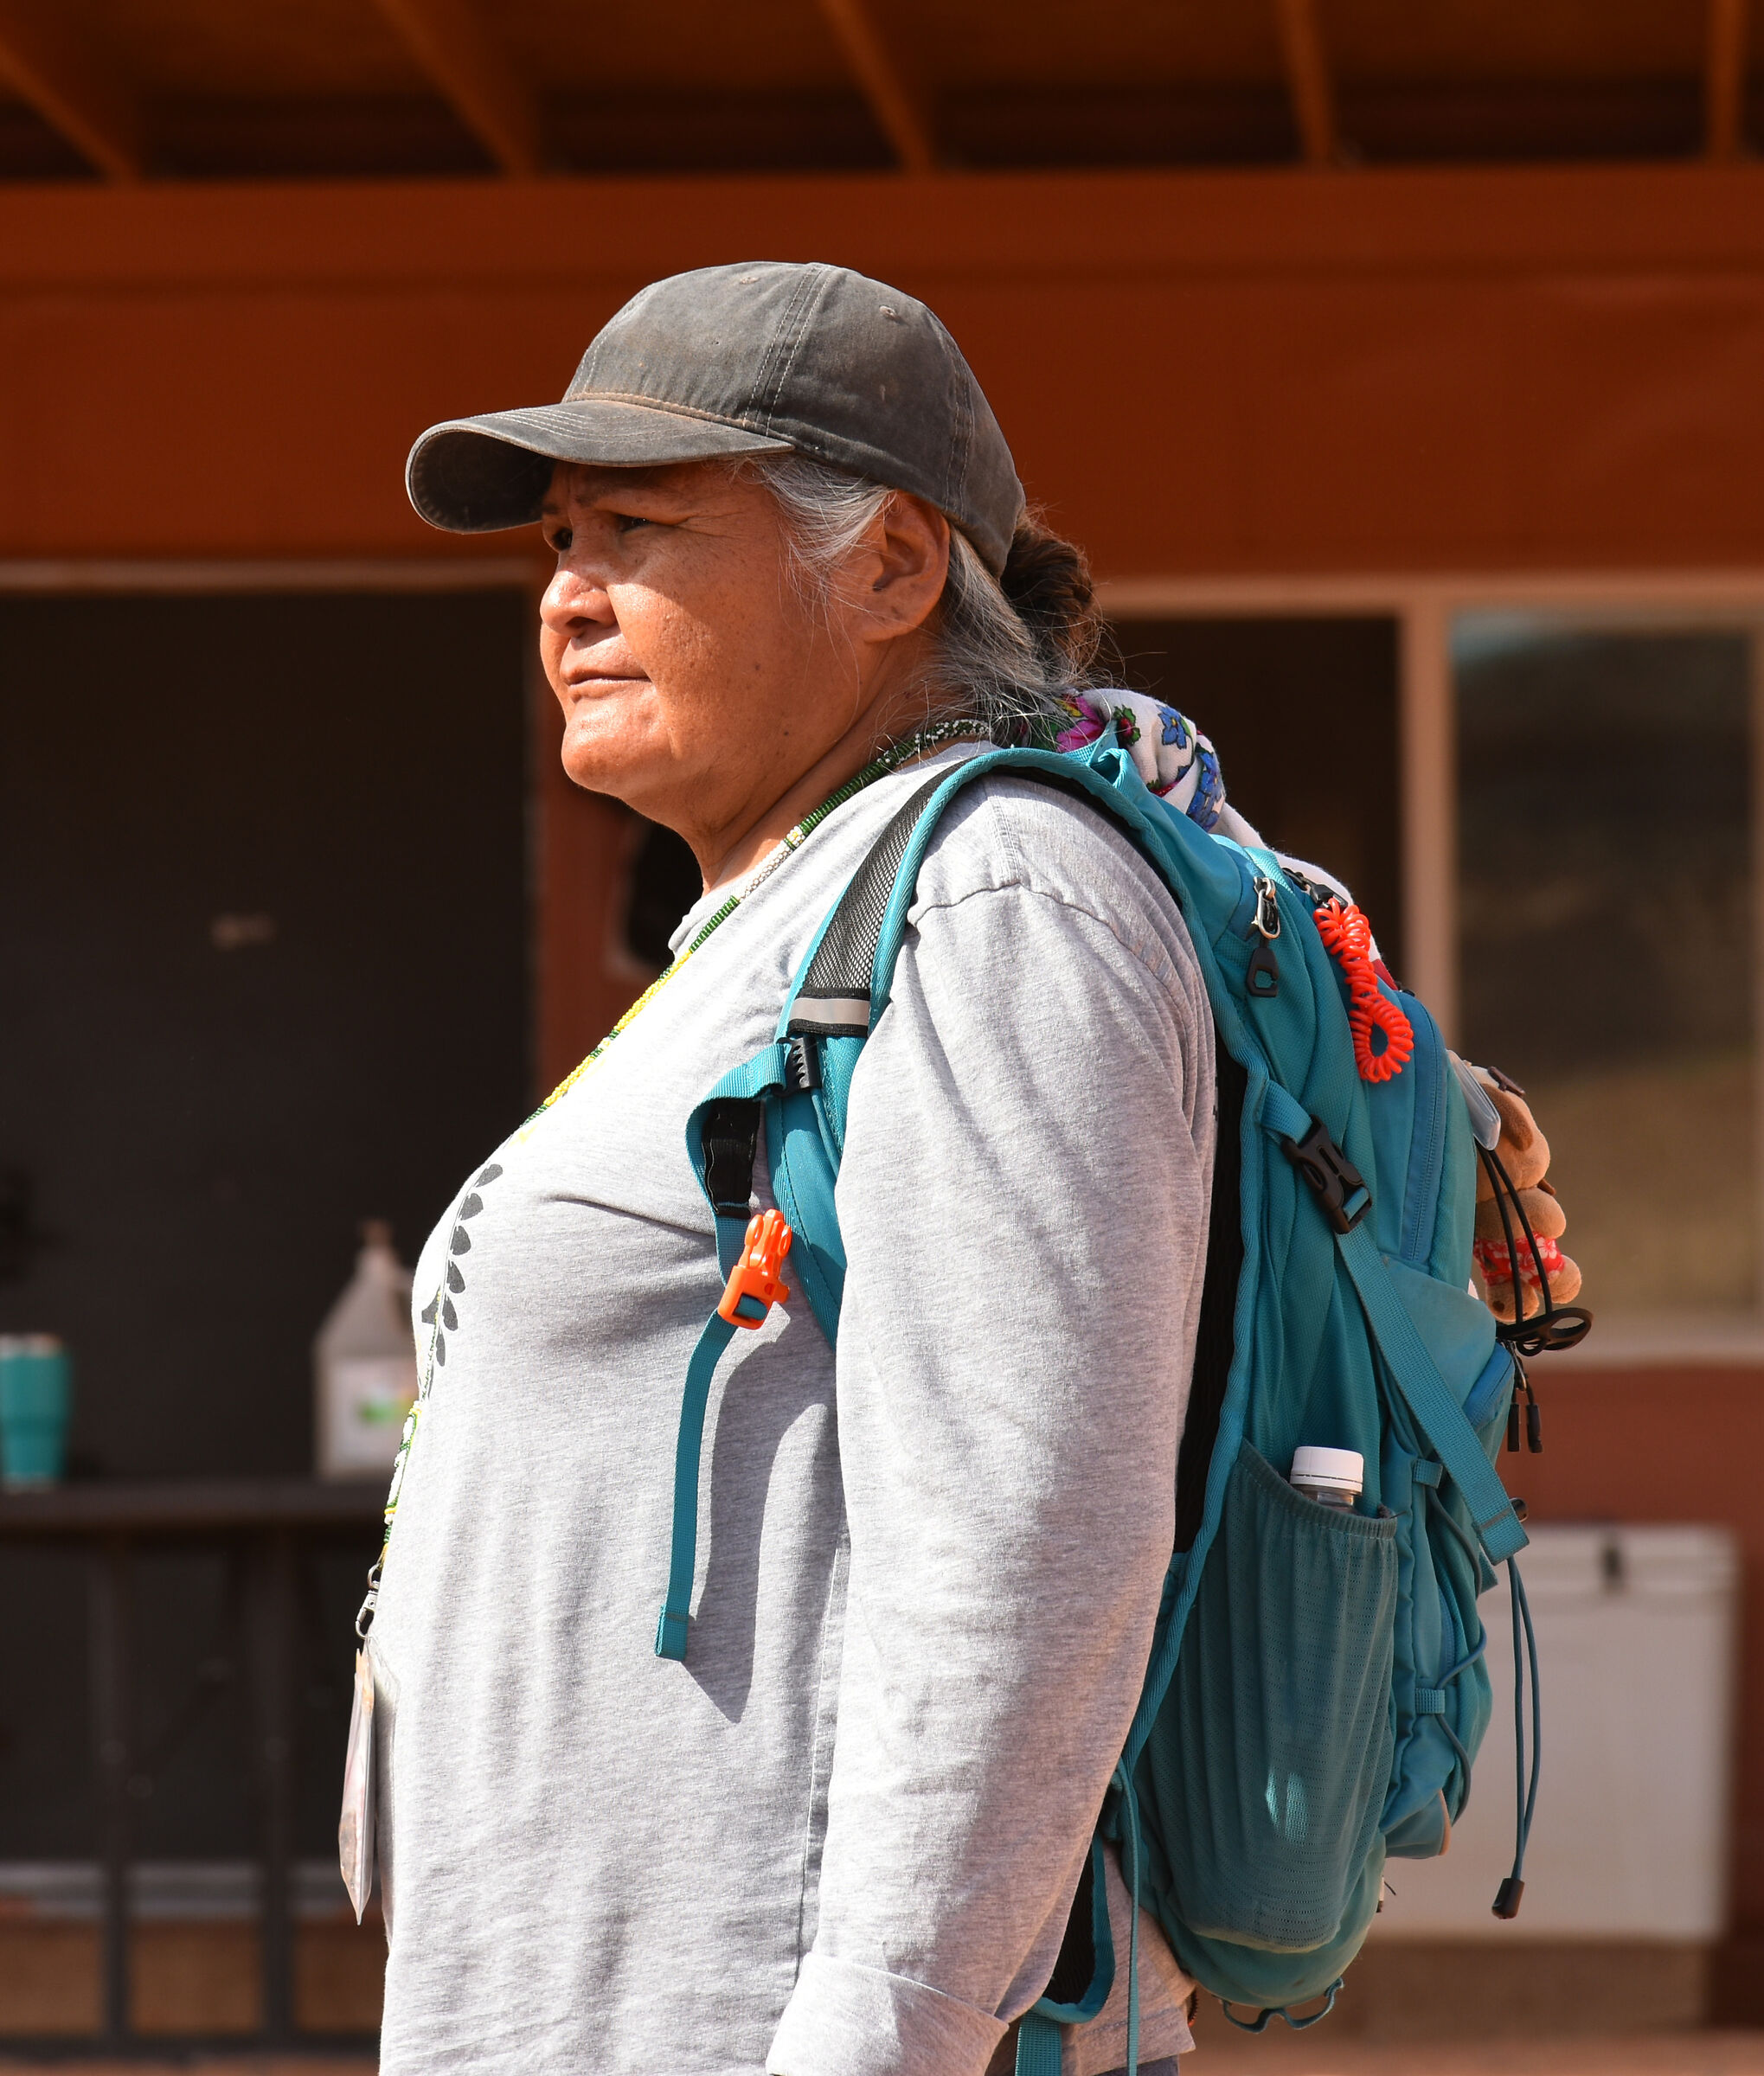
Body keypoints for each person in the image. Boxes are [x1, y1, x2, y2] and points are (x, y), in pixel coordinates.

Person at [365, 260, 1218, 2076]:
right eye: (554, 543)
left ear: (894, 569)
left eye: (635, 528)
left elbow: (1031, 1559)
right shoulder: (787, 914)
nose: (565, 599)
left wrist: (882, 2040)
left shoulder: (994, 904)